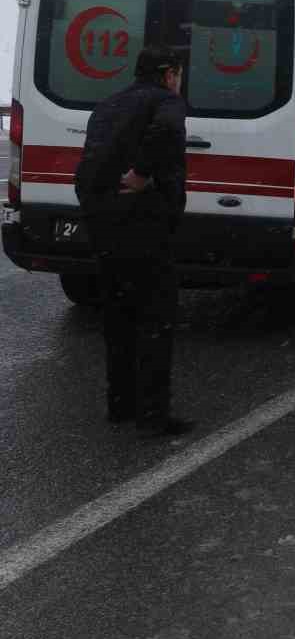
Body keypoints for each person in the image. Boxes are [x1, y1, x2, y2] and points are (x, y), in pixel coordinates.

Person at [74, 46, 193, 436]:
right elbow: (168, 131)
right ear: (169, 73)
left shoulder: (108, 105)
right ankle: (152, 415)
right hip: (146, 226)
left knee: (118, 316)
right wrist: (143, 173)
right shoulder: (167, 103)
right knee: (155, 318)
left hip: (106, 227)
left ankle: (120, 404)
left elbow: (87, 167)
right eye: (178, 73)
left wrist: (98, 208)